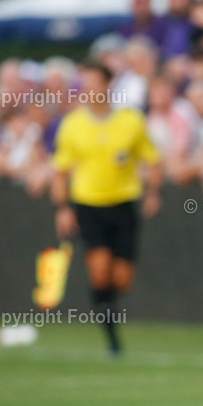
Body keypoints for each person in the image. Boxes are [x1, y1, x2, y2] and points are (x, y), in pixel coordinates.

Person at [51, 61, 162, 354]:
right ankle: (112, 339)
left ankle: (106, 306)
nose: (88, 91)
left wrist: (153, 192)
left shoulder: (131, 121)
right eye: (84, 85)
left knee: (122, 279)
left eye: (94, 84)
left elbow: (152, 158)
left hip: (124, 204)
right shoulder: (72, 124)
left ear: (107, 86)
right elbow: (61, 170)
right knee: (99, 271)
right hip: (89, 204)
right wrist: (63, 208)